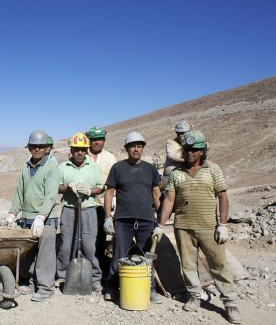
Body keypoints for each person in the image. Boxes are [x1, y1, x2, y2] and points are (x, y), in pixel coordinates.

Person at [152, 130, 241, 324]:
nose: (190, 152)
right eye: (187, 149)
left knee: (218, 265)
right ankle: (194, 296)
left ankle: (230, 302)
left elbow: (223, 197)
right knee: (188, 265)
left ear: (203, 151)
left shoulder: (213, 170)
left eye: (195, 149)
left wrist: (223, 225)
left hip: (209, 226)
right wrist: (160, 224)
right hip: (183, 226)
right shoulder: (176, 173)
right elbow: (169, 201)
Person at [103, 131, 162, 303]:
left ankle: (149, 289)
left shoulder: (150, 169)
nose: (136, 149)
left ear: (142, 148)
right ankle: (112, 287)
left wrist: (160, 221)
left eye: (139, 146)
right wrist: (108, 218)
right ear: (127, 148)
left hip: (146, 220)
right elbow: (109, 193)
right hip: (123, 219)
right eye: (132, 146)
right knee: (119, 255)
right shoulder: (118, 168)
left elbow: (157, 194)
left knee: (147, 255)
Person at [6, 130, 59, 302]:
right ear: (29, 147)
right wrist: (12, 213)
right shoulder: (26, 166)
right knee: (29, 254)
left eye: (40, 147)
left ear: (46, 148)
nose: (37, 149)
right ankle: (31, 282)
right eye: (33, 146)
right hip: (27, 219)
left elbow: (51, 195)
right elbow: (19, 192)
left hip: (45, 220)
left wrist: (41, 217)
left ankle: (46, 287)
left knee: (45, 255)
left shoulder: (51, 167)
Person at [57, 132, 104, 291]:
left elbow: (100, 187)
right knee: (66, 245)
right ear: (71, 150)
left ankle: (94, 278)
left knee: (89, 246)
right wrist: (68, 187)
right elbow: (56, 187)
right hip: (69, 210)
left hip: (89, 210)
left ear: (87, 150)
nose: (79, 152)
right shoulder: (63, 167)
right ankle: (63, 275)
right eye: (76, 149)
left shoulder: (94, 167)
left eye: (83, 149)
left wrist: (90, 191)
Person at [86, 126, 117, 279]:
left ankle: (97, 272)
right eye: (93, 139)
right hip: (84, 204)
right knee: (84, 237)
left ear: (104, 141)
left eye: (99, 139)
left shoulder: (110, 158)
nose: (96, 142)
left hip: (101, 205)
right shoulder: (82, 155)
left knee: (99, 239)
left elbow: (114, 183)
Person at [160, 120, 191, 190]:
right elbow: (172, 156)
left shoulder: (191, 145)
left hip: (186, 176)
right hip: (169, 176)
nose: (180, 135)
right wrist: (189, 157)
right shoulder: (171, 142)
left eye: (183, 133)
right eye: (178, 133)